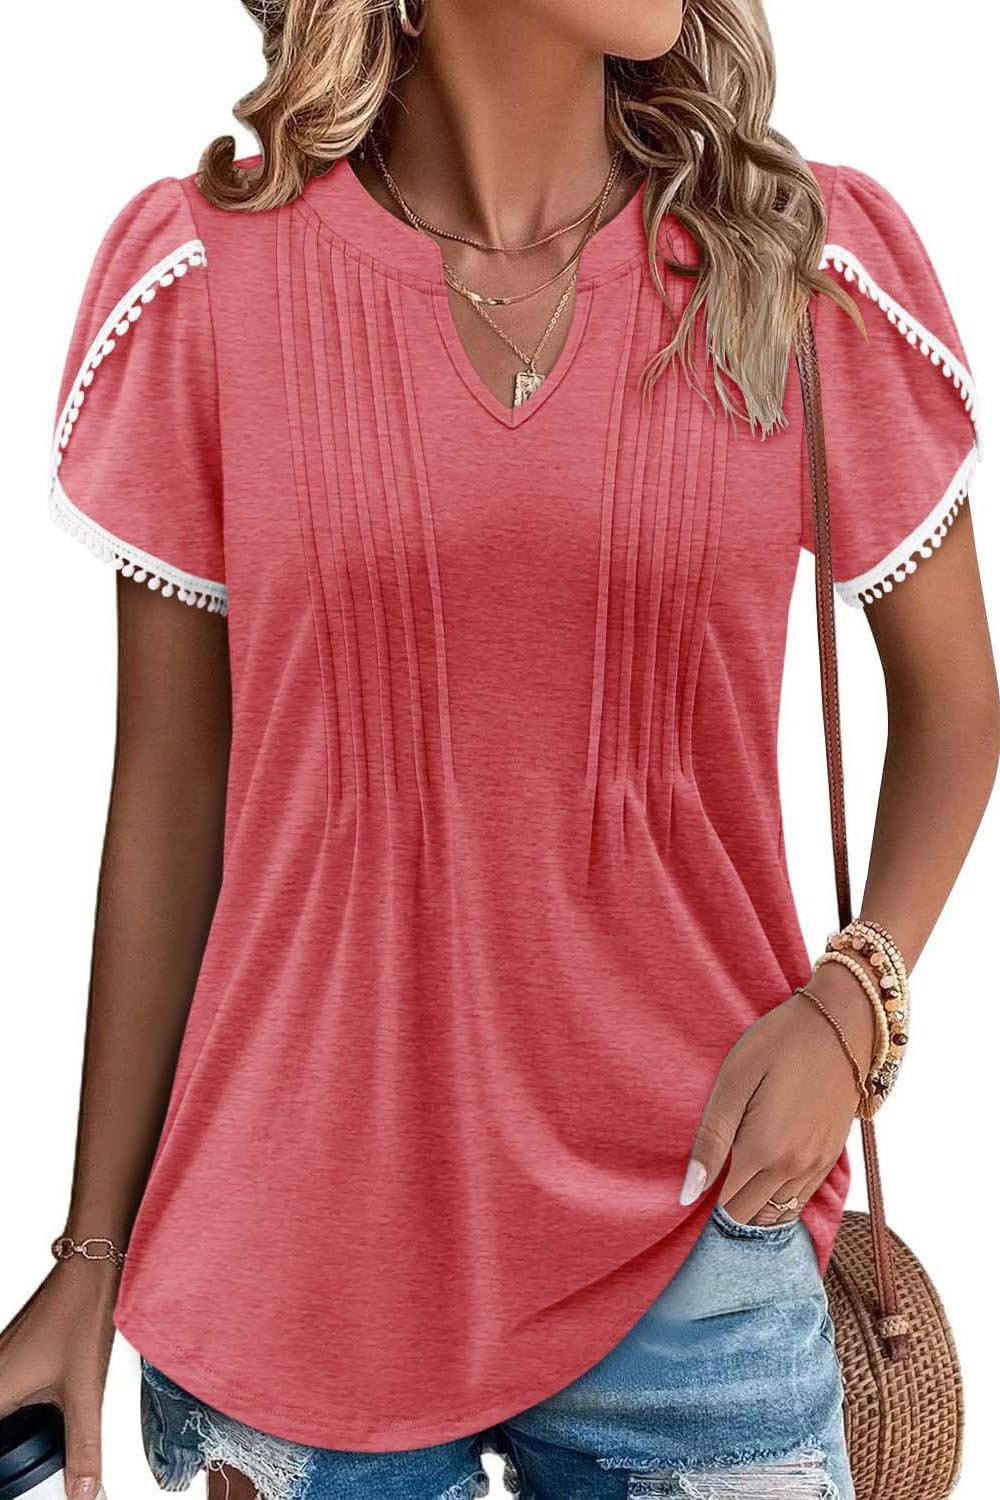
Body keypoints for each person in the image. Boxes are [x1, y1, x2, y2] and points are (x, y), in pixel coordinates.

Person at [1, 0, 996, 1496]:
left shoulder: (790, 263)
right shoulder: (211, 278)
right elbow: (169, 799)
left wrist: (854, 1010)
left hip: (700, 1222)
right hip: (296, 1262)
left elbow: (957, 706)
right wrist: (88, 1255)